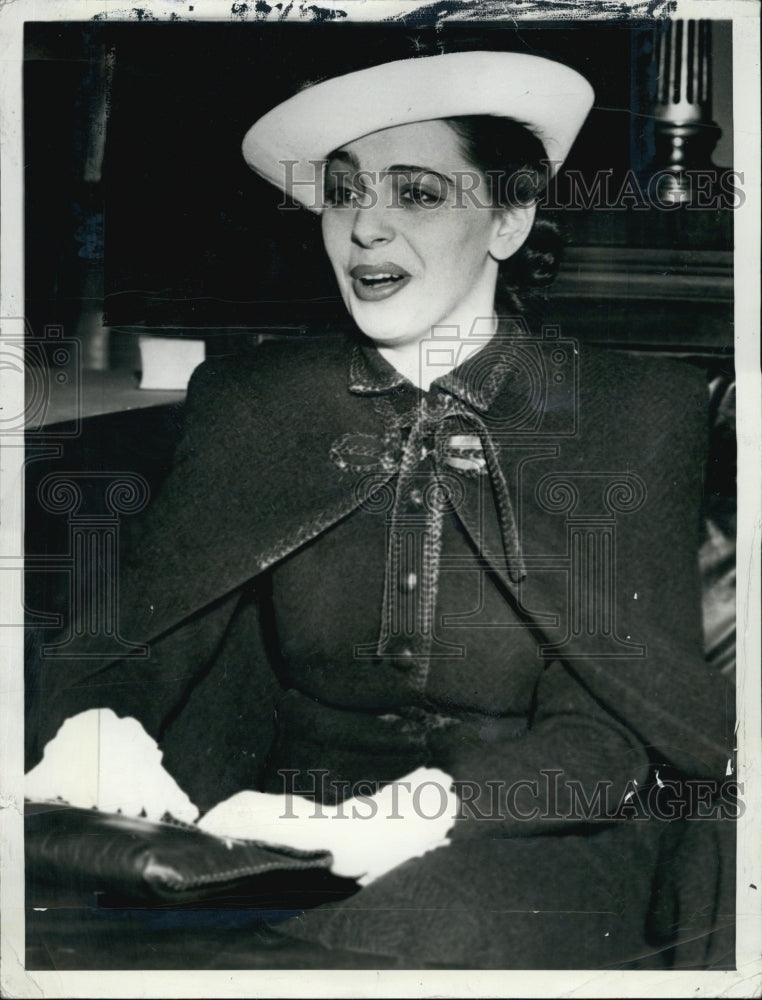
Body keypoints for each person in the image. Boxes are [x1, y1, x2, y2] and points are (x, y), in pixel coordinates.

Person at [25, 50, 734, 969]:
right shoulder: (251, 399)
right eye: (343, 193)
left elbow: (607, 734)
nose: (364, 226)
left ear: (510, 220)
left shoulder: (635, 411)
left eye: (419, 194)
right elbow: (140, 639)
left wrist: (407, 816)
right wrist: (98, 727)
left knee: (428, 931)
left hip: (529, 831)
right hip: (264, 831)